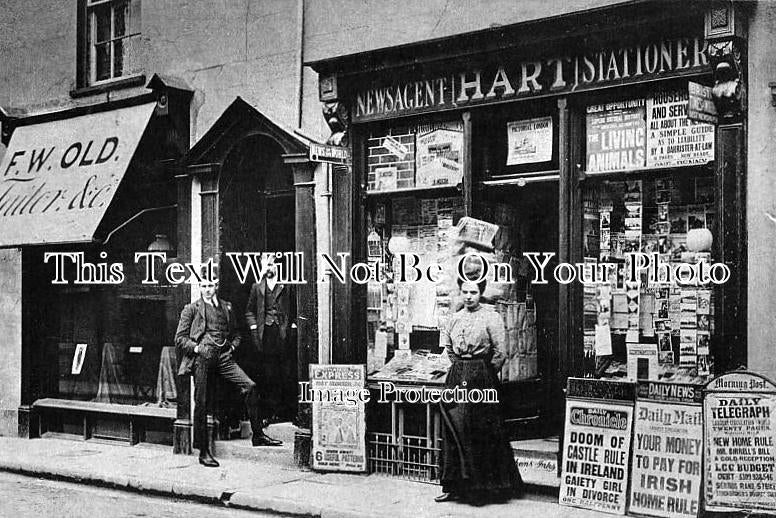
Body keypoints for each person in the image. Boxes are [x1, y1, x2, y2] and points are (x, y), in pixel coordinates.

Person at [175, 272, 282, 468]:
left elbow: (237, 334)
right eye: (204, 285)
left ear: (216, 286)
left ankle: (257, 435)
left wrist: (232, 347)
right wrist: (198, 348)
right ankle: (203, 451)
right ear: (200, 287)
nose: (207, 289)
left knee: (250, 386)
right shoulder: (191, 309)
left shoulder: (227, 307)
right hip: (202, 358)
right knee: (201, 401)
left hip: (224, 357)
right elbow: (180, 339)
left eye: (211, 285)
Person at [435, 278, 524, 505]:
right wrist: (460, 367)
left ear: (480, 293)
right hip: (457, 376)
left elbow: (500, 352)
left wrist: (483, 372)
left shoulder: (491, 317)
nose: (468, 296)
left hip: (481, 377)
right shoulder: (454, 318)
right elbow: (448, 348)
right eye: (464, 291)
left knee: (479, 431)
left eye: (473, 292)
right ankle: (454, 486)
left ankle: (483, 488)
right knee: (453, 428)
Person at [245, 254, 296, 423]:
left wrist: (293, 326)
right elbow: (249, 311)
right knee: (268, 374)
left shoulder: (287, 286)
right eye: (265, 265)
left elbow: (295, 309)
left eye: (271, 264)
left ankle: (285, 412)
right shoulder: (257, 287)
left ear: (277, 266)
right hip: (265, 335)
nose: (268, 268)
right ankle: (269, 413)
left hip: (283, 334)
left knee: (286, 373)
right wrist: (253, 327)